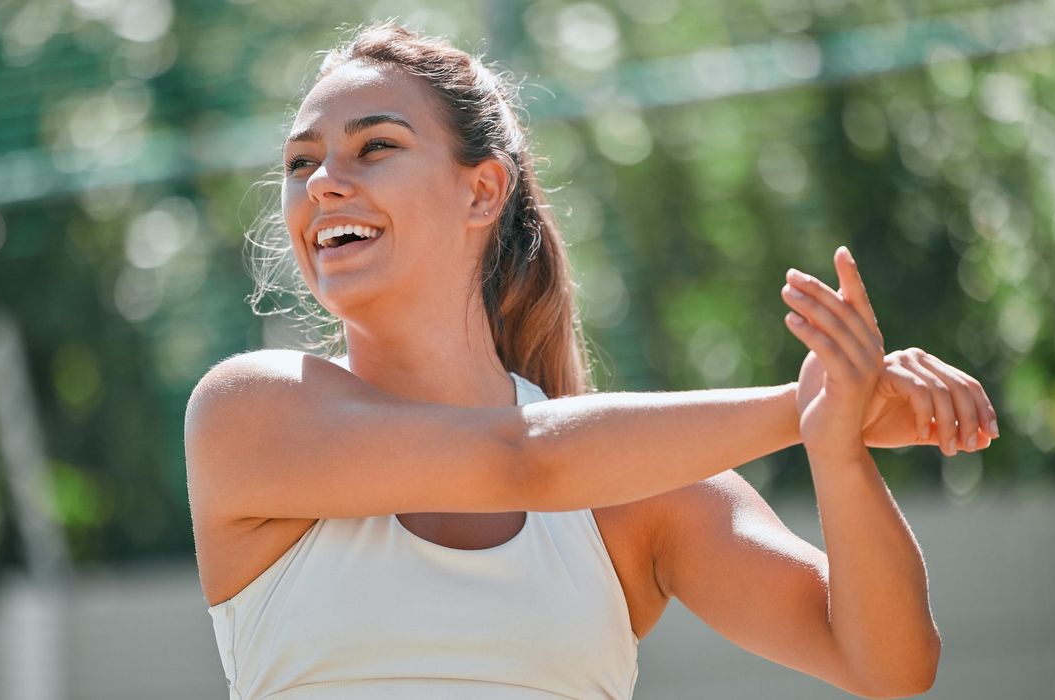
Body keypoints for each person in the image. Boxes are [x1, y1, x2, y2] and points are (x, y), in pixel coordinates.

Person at [185, 20, 998, 699]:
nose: (324, 181)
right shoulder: (250, 411)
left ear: (481, 192)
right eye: (301, 161)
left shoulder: (638, 484)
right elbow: (521, 460)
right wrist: (808, 406)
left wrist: (840, 448)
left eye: (375, 147)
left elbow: (888, 666)